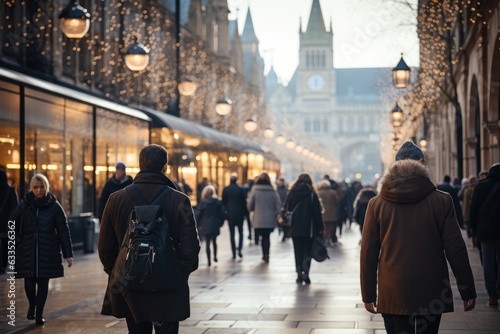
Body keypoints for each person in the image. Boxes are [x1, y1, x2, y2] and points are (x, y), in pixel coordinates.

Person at [360, 141, 476, 334]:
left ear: (395, 165)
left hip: (392, 288)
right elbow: (455, 248)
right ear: (422, 164)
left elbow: (368, 254)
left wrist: (368, 294)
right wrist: (467, 290)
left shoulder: (376, 204)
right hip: (431, 289)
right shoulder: (442, 200)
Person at [98, 144, 200, 334]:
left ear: (140, 165)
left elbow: (105, 246)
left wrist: (119, 270)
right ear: (165, 167)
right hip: (168, 286)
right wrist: (179, 271)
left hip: (130, 285)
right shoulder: (180, 201)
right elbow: (191, 247)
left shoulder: (115, 199)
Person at [10, 173, 73, 325]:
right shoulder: (24, 204)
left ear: (46, 187)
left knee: (43, 284)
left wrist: (68, 254)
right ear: (31, 188)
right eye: (35, 187)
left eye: (41, 187)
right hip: (27, 252)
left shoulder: (54, 206)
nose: (39, 190)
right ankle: (32, 305)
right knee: (29, 284)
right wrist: (18, 242)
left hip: (48, 251)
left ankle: (39, 313)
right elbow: (12, 223)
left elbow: (63, 231)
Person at [282, 173, 324, 284]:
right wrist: (320, 227)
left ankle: (299, 274)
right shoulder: (311, 194)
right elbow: (317, 213)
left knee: (297, 251)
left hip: (294, 228)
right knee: (307, 252)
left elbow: (286, 208)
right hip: (309, 229)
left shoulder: (292, 193)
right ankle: (306, 274)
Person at [469, 162, 500, 307]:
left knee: (488, 261)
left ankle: (492, 294)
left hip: (486, 232)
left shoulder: (481, 186)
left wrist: (473, 230)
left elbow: (473, 210)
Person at [247, 172, 281, 264]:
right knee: (267, 237)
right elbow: (277, 205)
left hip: (258, 218)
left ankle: (263, 255)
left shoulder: (255, 190)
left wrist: (252, 210)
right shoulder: (272, 190)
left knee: (262, 237)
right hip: (269, 218)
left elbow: (250, 204)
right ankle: (267, 255)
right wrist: (278, 215)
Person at [196, 185, 225, 266]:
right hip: (215, 224)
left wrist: (197, 224)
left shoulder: (203, 203)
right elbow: (222, 214)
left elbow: (199, 215)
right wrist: (221, 223)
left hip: (205, 224)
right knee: (214, 241)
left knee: (207, 243)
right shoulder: (217, 202)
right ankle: (215, 256)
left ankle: (209, 261)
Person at [221, 173, 247, 259]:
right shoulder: (240, 189)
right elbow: (244, 203)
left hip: (230, 214)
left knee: (232, 234)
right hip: (239, 214)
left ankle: (233, 253)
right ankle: (239, 249)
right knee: (240, 232)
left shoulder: (226, 189)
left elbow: (223, 202)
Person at [0, 166, 18, 273]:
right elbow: (14, 207)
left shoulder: (9, 190)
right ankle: (3, 265)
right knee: (5, 244)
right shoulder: (10, 190)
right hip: (6, 223)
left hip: (5, 223)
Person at [316, 180, 340, 246]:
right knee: (331, 226)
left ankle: (325, 238)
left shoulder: (318, 193)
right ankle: (329, 238)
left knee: (324, 226)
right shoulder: (333, 192)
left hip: (322, 212)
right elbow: (337, 200)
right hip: (332, 212)